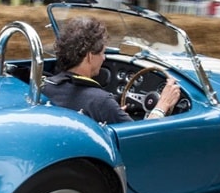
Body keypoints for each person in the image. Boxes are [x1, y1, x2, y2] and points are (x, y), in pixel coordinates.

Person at [42, 17, 181, 124]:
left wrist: (113, 113)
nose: (103, 58)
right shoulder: (101, 102)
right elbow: (140, 140)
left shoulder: (45, 86)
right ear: (90, 56)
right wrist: (162, 105)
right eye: (102, 53)